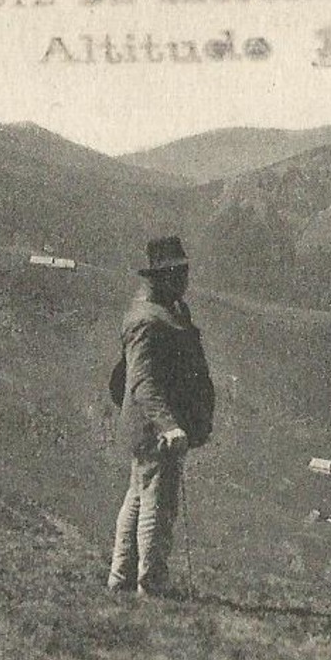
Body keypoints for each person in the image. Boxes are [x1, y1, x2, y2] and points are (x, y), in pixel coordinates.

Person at [108, 236, 215, 597]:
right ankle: (150, 584)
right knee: (157, 503)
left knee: (139, 498)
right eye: (178, 272)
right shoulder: (148, 321)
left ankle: (122, 578)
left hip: (152, 430)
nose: (185, 279)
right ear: (161, 276)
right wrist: (169, 425)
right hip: (156, 431)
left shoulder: (164, 312)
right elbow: (142, 381)